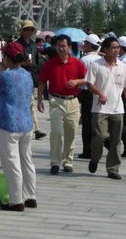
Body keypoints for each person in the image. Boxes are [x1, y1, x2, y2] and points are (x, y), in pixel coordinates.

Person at [0, 41, 37, 212]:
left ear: (7, 58)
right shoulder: (27, 74)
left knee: (12, 163)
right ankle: (30, 196)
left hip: (9, 123)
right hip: (26, 123)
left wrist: (1, 72)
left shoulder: (6, 76)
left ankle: (16, 201)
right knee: (27, 160)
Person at [37, 34, 87, 175]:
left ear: (69, 47)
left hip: (73, 101)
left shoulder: (77, 63)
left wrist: (77, 82)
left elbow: (88, 79)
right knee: (57, 132)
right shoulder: (50, 63)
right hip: (56, 101)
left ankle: (67, 161)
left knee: (70, 132)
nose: (60, 48)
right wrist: (40, 100)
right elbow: (41, 81)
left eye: (63, 46)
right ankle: (55, 162)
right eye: (58, 45)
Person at [86, 37, 126, 180]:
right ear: (105, 49)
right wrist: (100, 93)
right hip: (100, 109)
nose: (116, 50)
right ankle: (95, 158)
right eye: (113, 48)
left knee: (116, 140)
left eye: (118, 48)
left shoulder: (123, 66)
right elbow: (89, 84)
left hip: (117, 109)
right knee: (99, 137)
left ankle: (113, 168)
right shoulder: (96, 65)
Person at [16, 20, 46, 140]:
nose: (29, 32)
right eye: (26, 29)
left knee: (30, 103)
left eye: (31, 30)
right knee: (27, 103)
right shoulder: (17, 44)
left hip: (31, 75)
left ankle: (35, 128)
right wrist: (23, 62)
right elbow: (11, 62)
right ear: (22, 31)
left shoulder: (33, 45)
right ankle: (34, 128)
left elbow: (37, 60)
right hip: (19, 75)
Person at [77, 34, 102, 160]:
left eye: (85, 44)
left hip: (87, 92)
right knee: (97, 121)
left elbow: (83, 78)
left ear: (89, 45)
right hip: (99, 92)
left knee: (87, 122)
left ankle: (88, 150)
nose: (83, 46)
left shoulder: (84, 60)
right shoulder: (100, 59)